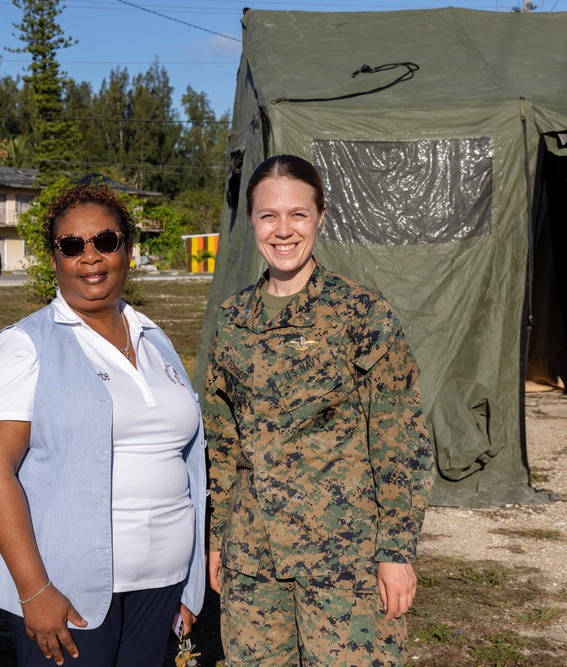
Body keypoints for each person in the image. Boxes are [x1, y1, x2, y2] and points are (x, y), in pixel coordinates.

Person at [204, 154, 435, 666]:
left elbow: (401, 439)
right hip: (253, 560)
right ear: (250, 221)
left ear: (321, 216)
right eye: (269, 215)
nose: (283, 230)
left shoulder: (362, 314)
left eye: (298, 214)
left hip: (345, 559)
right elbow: (222, 442)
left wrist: (397, 550)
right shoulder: (231, 319)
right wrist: (217, 538)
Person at [0, 183, 207, 667]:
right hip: (70, 592)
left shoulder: (154, 338)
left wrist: (191, 582)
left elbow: (185, 462)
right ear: (55, 258)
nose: (91, 257)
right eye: (72, 246)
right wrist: (35, 592)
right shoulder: (23, 346)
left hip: (161, 583)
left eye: (105, 240)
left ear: (128, 249)